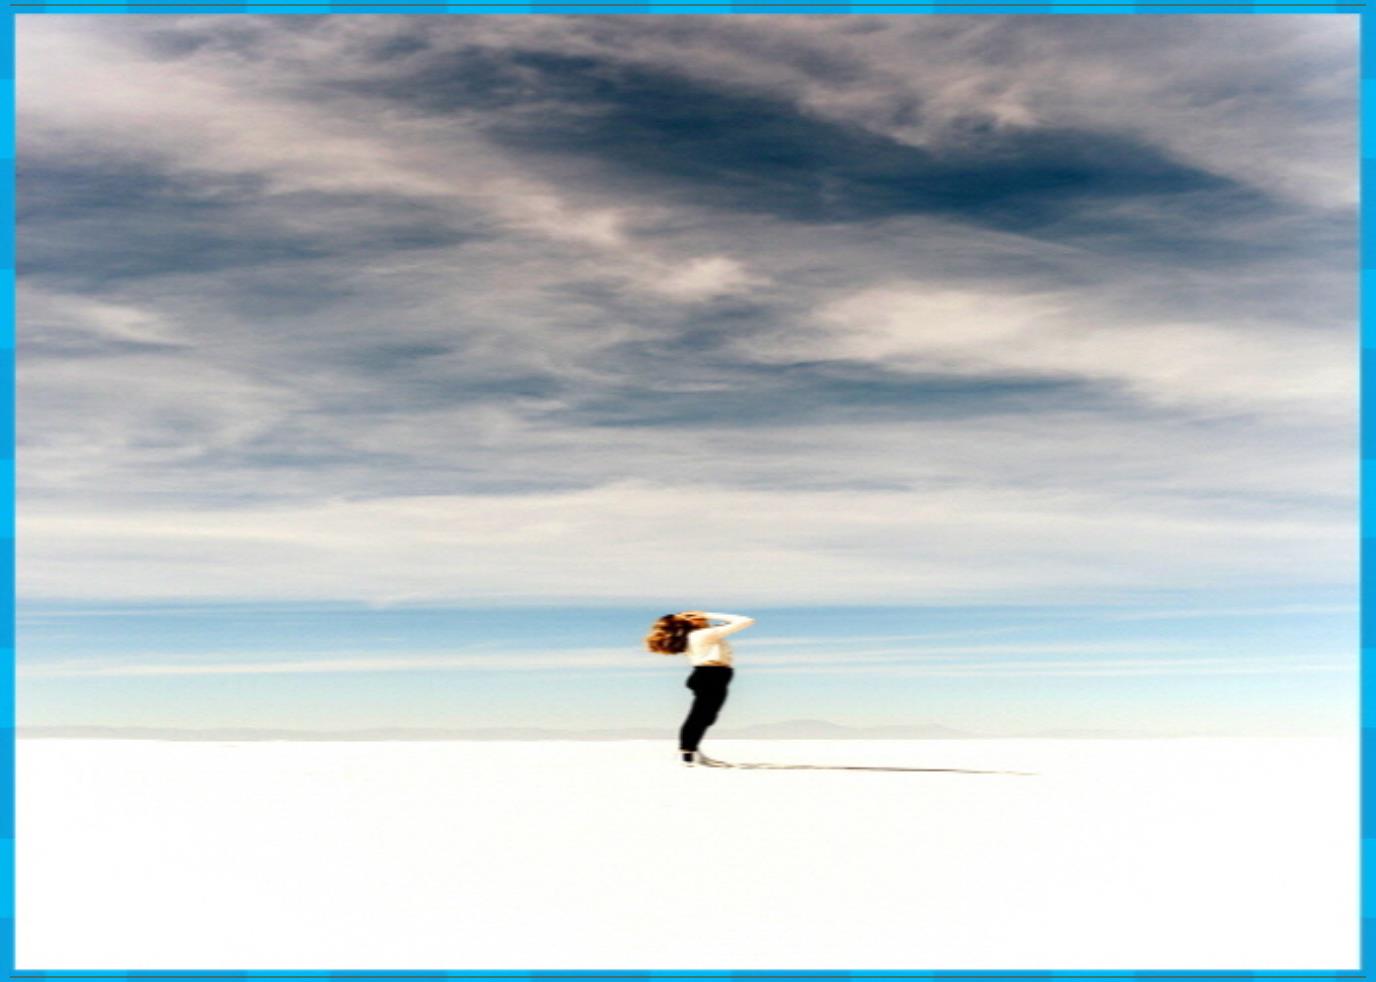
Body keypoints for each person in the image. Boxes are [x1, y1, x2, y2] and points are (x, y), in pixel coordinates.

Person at [644, 610, 756, 767]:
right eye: (692, 616)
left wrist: (699, 619)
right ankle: (686, 753)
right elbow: (746, 620)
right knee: (700, 716)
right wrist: (707, 614)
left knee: (705, 717)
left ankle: (691, 751)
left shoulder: (700, 635)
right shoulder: (701, 635)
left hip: (712, 675)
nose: (699, 617)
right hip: (710, 675)